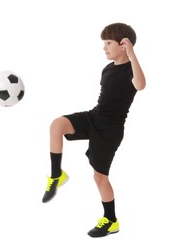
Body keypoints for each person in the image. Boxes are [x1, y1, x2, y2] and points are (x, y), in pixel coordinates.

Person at [42, 23, 146, 237]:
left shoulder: (131, 69)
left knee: (99, 177)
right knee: (57, 124)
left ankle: (111, 220)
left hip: (111, 129)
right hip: (94, 116)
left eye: (108, 43)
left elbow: (141, 85)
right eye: (104, 43)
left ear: (124, 44)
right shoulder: (107, 69)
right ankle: (56, 175)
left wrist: (132, 54)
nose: (104, 47)